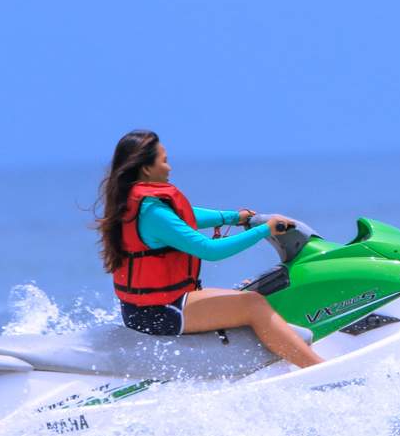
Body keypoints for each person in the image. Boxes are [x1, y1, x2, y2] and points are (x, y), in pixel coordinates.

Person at [95, 130, 324, 369]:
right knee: (253, 304)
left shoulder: (133, 202)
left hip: (144, 309)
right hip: (162, 312)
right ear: (146, 168)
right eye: (164, 160)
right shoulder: (151, 212)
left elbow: (185, 217)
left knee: (245, 291)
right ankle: (317, 369)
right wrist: (265, 230)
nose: (169, 167)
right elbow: (209, 250)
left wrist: (233, 217)